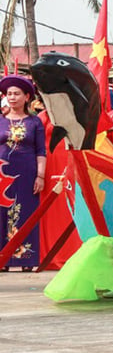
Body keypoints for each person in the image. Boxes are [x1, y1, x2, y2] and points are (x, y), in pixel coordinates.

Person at [0, 75, 46, 271]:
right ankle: (3, 260)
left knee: (26, 213)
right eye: (9, 94)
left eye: (16, 94)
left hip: (28, 172)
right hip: (2, 172)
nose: (12, 97)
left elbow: (41, 151)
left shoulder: (35, 122)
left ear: (27, 97)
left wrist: (41, 176)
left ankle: (26, 259)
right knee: (2, 214)